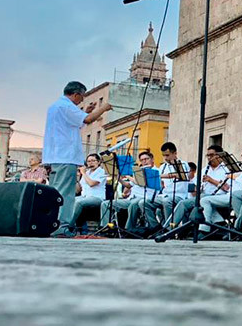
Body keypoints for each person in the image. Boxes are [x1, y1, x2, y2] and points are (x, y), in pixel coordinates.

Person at [46, 81, 112, 238]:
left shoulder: (56, 107)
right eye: (81, 97)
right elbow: (88, 120)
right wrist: (104, 108)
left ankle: (54, 224)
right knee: (65, 193)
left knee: (56, 192)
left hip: (56, 156)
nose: (82, 101)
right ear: (75, 94)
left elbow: (76, 123)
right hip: (65, 156)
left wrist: (85, 112)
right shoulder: (66, 106)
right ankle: (62, 227)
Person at [199, 146, 242, 234]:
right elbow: (228, 186)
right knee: (204, 200)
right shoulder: (241, 168)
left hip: (240, 196)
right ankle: (218, 223)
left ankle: (207, 228)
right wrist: (224, 183)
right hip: (229, 194)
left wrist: (234, 176)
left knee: (205, 200)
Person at [171, 144, 228, 227]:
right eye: (207, 155)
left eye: (211, 155)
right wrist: (198, 189)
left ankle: (218, 222)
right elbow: (195, 186)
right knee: (183, 203)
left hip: (219, 196)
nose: (209, 158)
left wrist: (211, 180)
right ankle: (170, 228)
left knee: (203, 200)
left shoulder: (226, 169)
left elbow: (227, 188)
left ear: (219, 156)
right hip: (203, 196)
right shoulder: (205, 170)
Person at [138, 142, 189, 231]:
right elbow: (160, 183)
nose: (165, 158)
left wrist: (161, 176)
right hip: (164, 195)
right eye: (164, 155)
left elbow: (181, 176)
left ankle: (169, 228)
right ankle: (155, 227)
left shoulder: (183, 164)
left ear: (175, 153)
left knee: (166, 201)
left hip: (179, 196)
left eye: (167, 155)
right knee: (143, 202)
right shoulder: (163, 166)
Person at [103, 151, 159, 230]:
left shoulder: (156, 171)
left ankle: (129, 229)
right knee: (106, 204)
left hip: (145, 198)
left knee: (133, 204)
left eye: (146, 159)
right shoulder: (139, 171)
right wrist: (118, 178)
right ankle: (106, 227)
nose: (144, 161)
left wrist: (128, 176)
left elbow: (143, 183)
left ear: (152, 159)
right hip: (132, 198)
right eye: (142, 160)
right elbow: (128, 185)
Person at [66, 153, 108, 232]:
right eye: (88, 161)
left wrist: (83, 173)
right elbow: (79, 189)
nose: (90, 163)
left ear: (98, 162)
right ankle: (67, 223)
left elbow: (91, 184)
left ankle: (70, 226)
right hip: (85, 196)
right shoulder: (87, 172)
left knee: (79, 202)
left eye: (93, 161)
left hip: (97, 197)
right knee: (69, 200)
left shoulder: (101, 172)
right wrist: (77, 177)